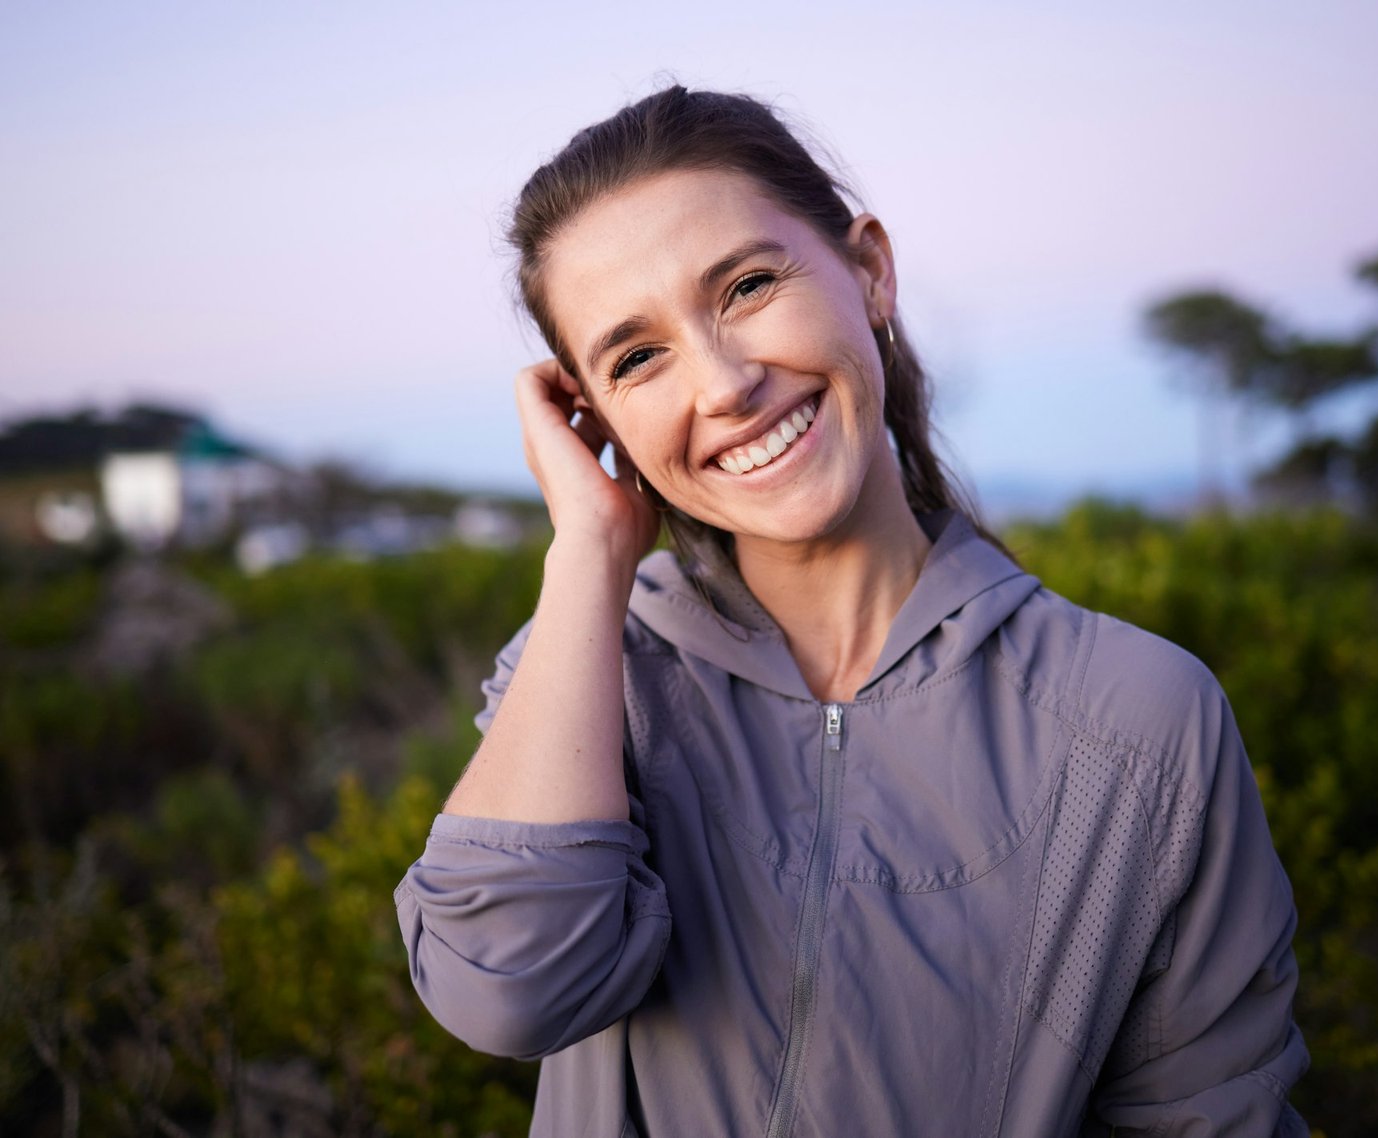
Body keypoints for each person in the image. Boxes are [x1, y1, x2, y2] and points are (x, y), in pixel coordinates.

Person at [395, 85, 1310, 1137]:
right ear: (594, 417)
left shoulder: (1139, 719)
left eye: (744, 285)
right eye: (636, 357)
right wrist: (588, 551)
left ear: (868, 269)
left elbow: (1210, 1117)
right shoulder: (593, 674)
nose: (724, 383)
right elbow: (506, 992)